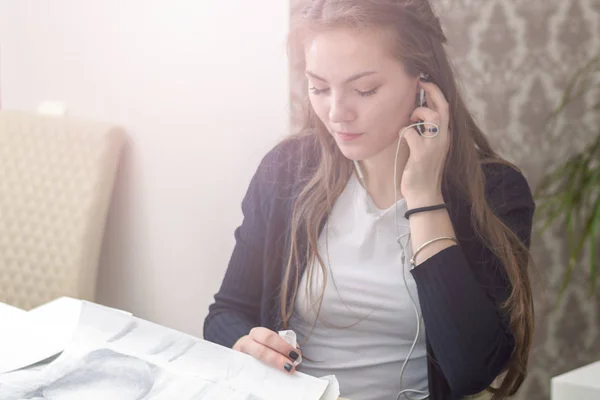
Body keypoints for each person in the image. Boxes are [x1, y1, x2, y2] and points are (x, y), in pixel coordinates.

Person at [204, 1, 535, 399]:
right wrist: (243, 342)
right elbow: (226, 312)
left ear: (422, 83)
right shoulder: (287, 171)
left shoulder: (495, 190)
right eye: (319, 87)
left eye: (364, 89)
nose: (337, 112)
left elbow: (472, 369)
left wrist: (424, 197)